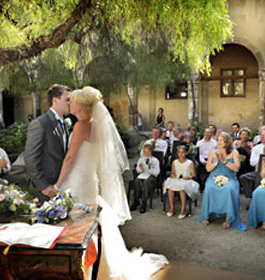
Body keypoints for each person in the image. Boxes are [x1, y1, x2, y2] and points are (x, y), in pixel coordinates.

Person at [53, 86, 168, 279]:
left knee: (79, 224)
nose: (69, 103)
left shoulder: (82, 125)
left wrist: (58, 185)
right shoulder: (96, 125)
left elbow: (70, 158)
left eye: (72, 100)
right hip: (90, 178)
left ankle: (84, 265)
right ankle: (98, 263)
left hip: (79, 179)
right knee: (92, 224)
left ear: (80, 106)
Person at [25, 84, 71, 202]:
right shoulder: (39, 124)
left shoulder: (64, 123)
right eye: (67, 99)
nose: (70, 103)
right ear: (55, 100)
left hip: (60, 186)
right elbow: (30, 158)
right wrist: (43, 186)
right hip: (45, 190)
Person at [196, 132, 247, 231]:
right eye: (218, 140)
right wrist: (216, 162)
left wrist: (224, 161)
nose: (219, 142)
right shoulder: (213, 152)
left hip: (230, 178)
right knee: (210, 187)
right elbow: (208, 169)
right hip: (214, 177)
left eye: (221, 140)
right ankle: (206, 216)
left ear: (227, 142)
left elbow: (236, 169)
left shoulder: (234, 152)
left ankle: (229, 217)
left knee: (228, 188)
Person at [163, 145, 199, 219]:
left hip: (187, 180)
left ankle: (183, 209)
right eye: (179, 152)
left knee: (182, 189)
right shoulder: (174, 162)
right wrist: (173, 175)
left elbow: (193, 174)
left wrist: (189, 177)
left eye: (183, 152)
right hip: (177, 179)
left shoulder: (190, 162)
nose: (181, 154)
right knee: (170, 188)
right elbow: (173, 172)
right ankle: (172, 208)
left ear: (186, 153)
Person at [239, 127, 265, 198]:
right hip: (258, 171)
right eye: (261, 135)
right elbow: (252, 163)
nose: (262, 137)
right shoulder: (256, 148)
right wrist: (262, 156)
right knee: (243, 177)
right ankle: (251, 196)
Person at [131, 144, 160, 214]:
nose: (146, 153)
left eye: (147, 152)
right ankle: (136, 200)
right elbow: (138, 170)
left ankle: (143, 203)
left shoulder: (155, 160)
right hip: (143, 175)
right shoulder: (141, 159)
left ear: (151, 152)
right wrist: (140, 168)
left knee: (146, 182)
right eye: (144, 152)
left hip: (151, 176)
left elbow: (157, 173)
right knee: (136, 180)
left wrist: (150, 169)